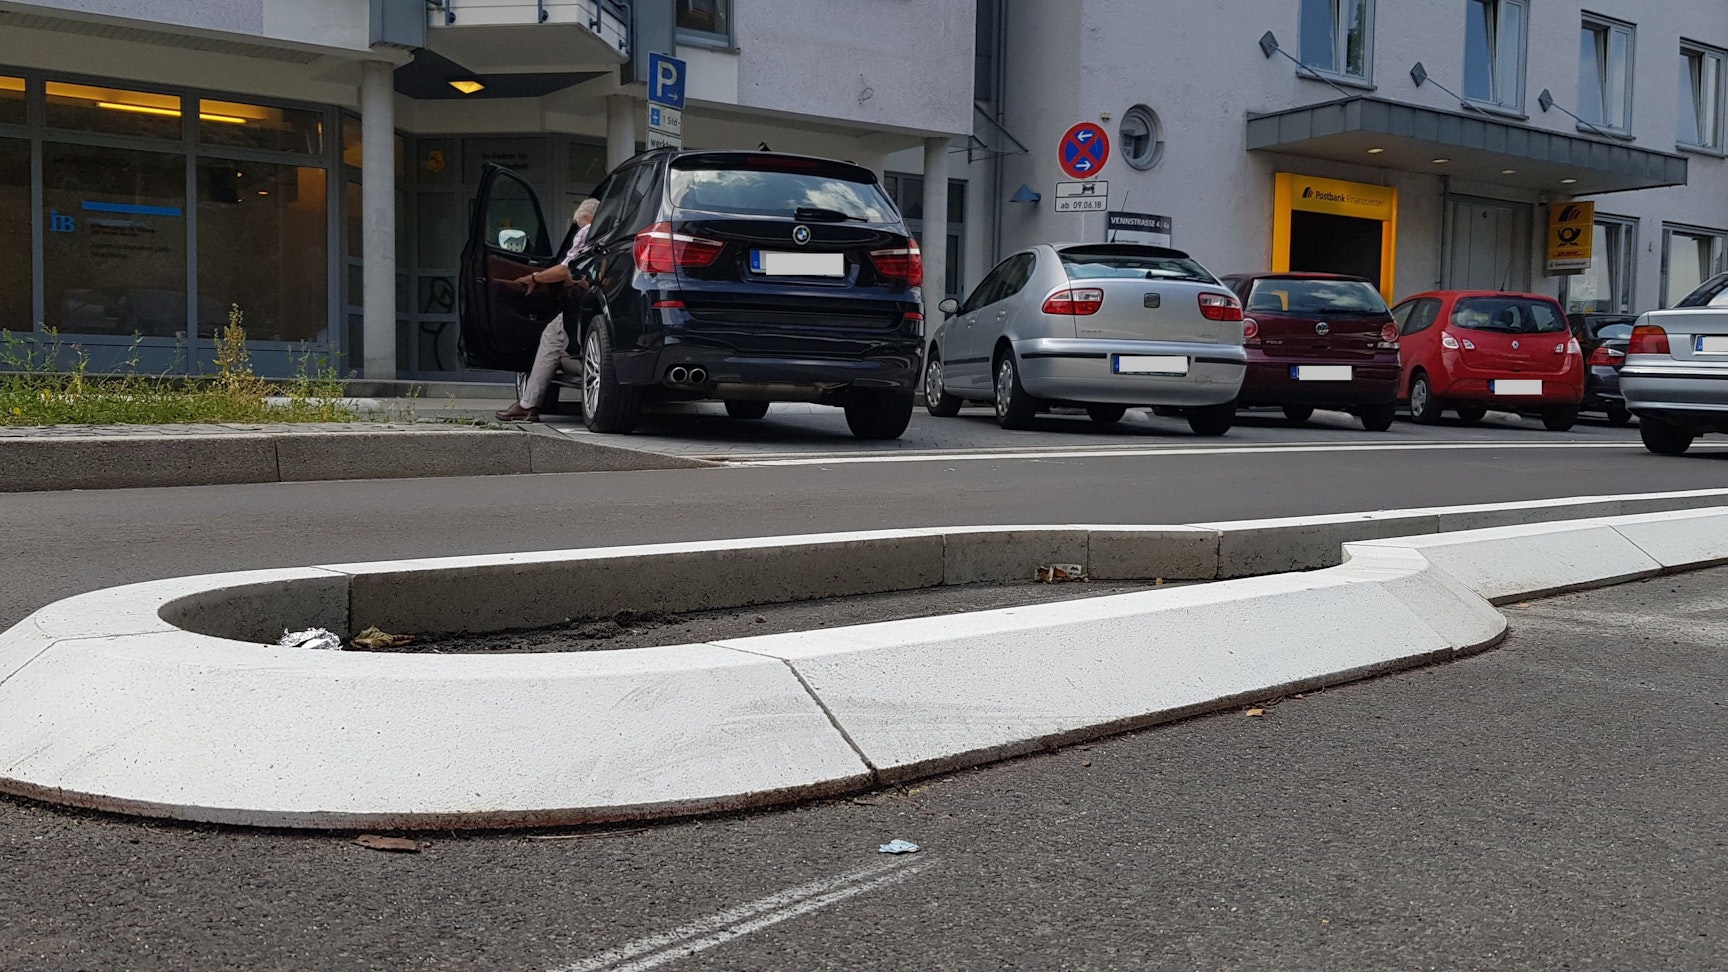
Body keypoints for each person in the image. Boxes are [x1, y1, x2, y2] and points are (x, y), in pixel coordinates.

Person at [496, 197, 599, 421]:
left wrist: (534, 277)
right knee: (556, 338)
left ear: (588, 219)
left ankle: (528, 405)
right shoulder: (612, 232)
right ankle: (529, 403)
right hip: (600, 301)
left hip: (583, 302)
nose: (579, 230)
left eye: (579, 225)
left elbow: (566, 270)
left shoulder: (588, 230)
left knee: (551, 337)